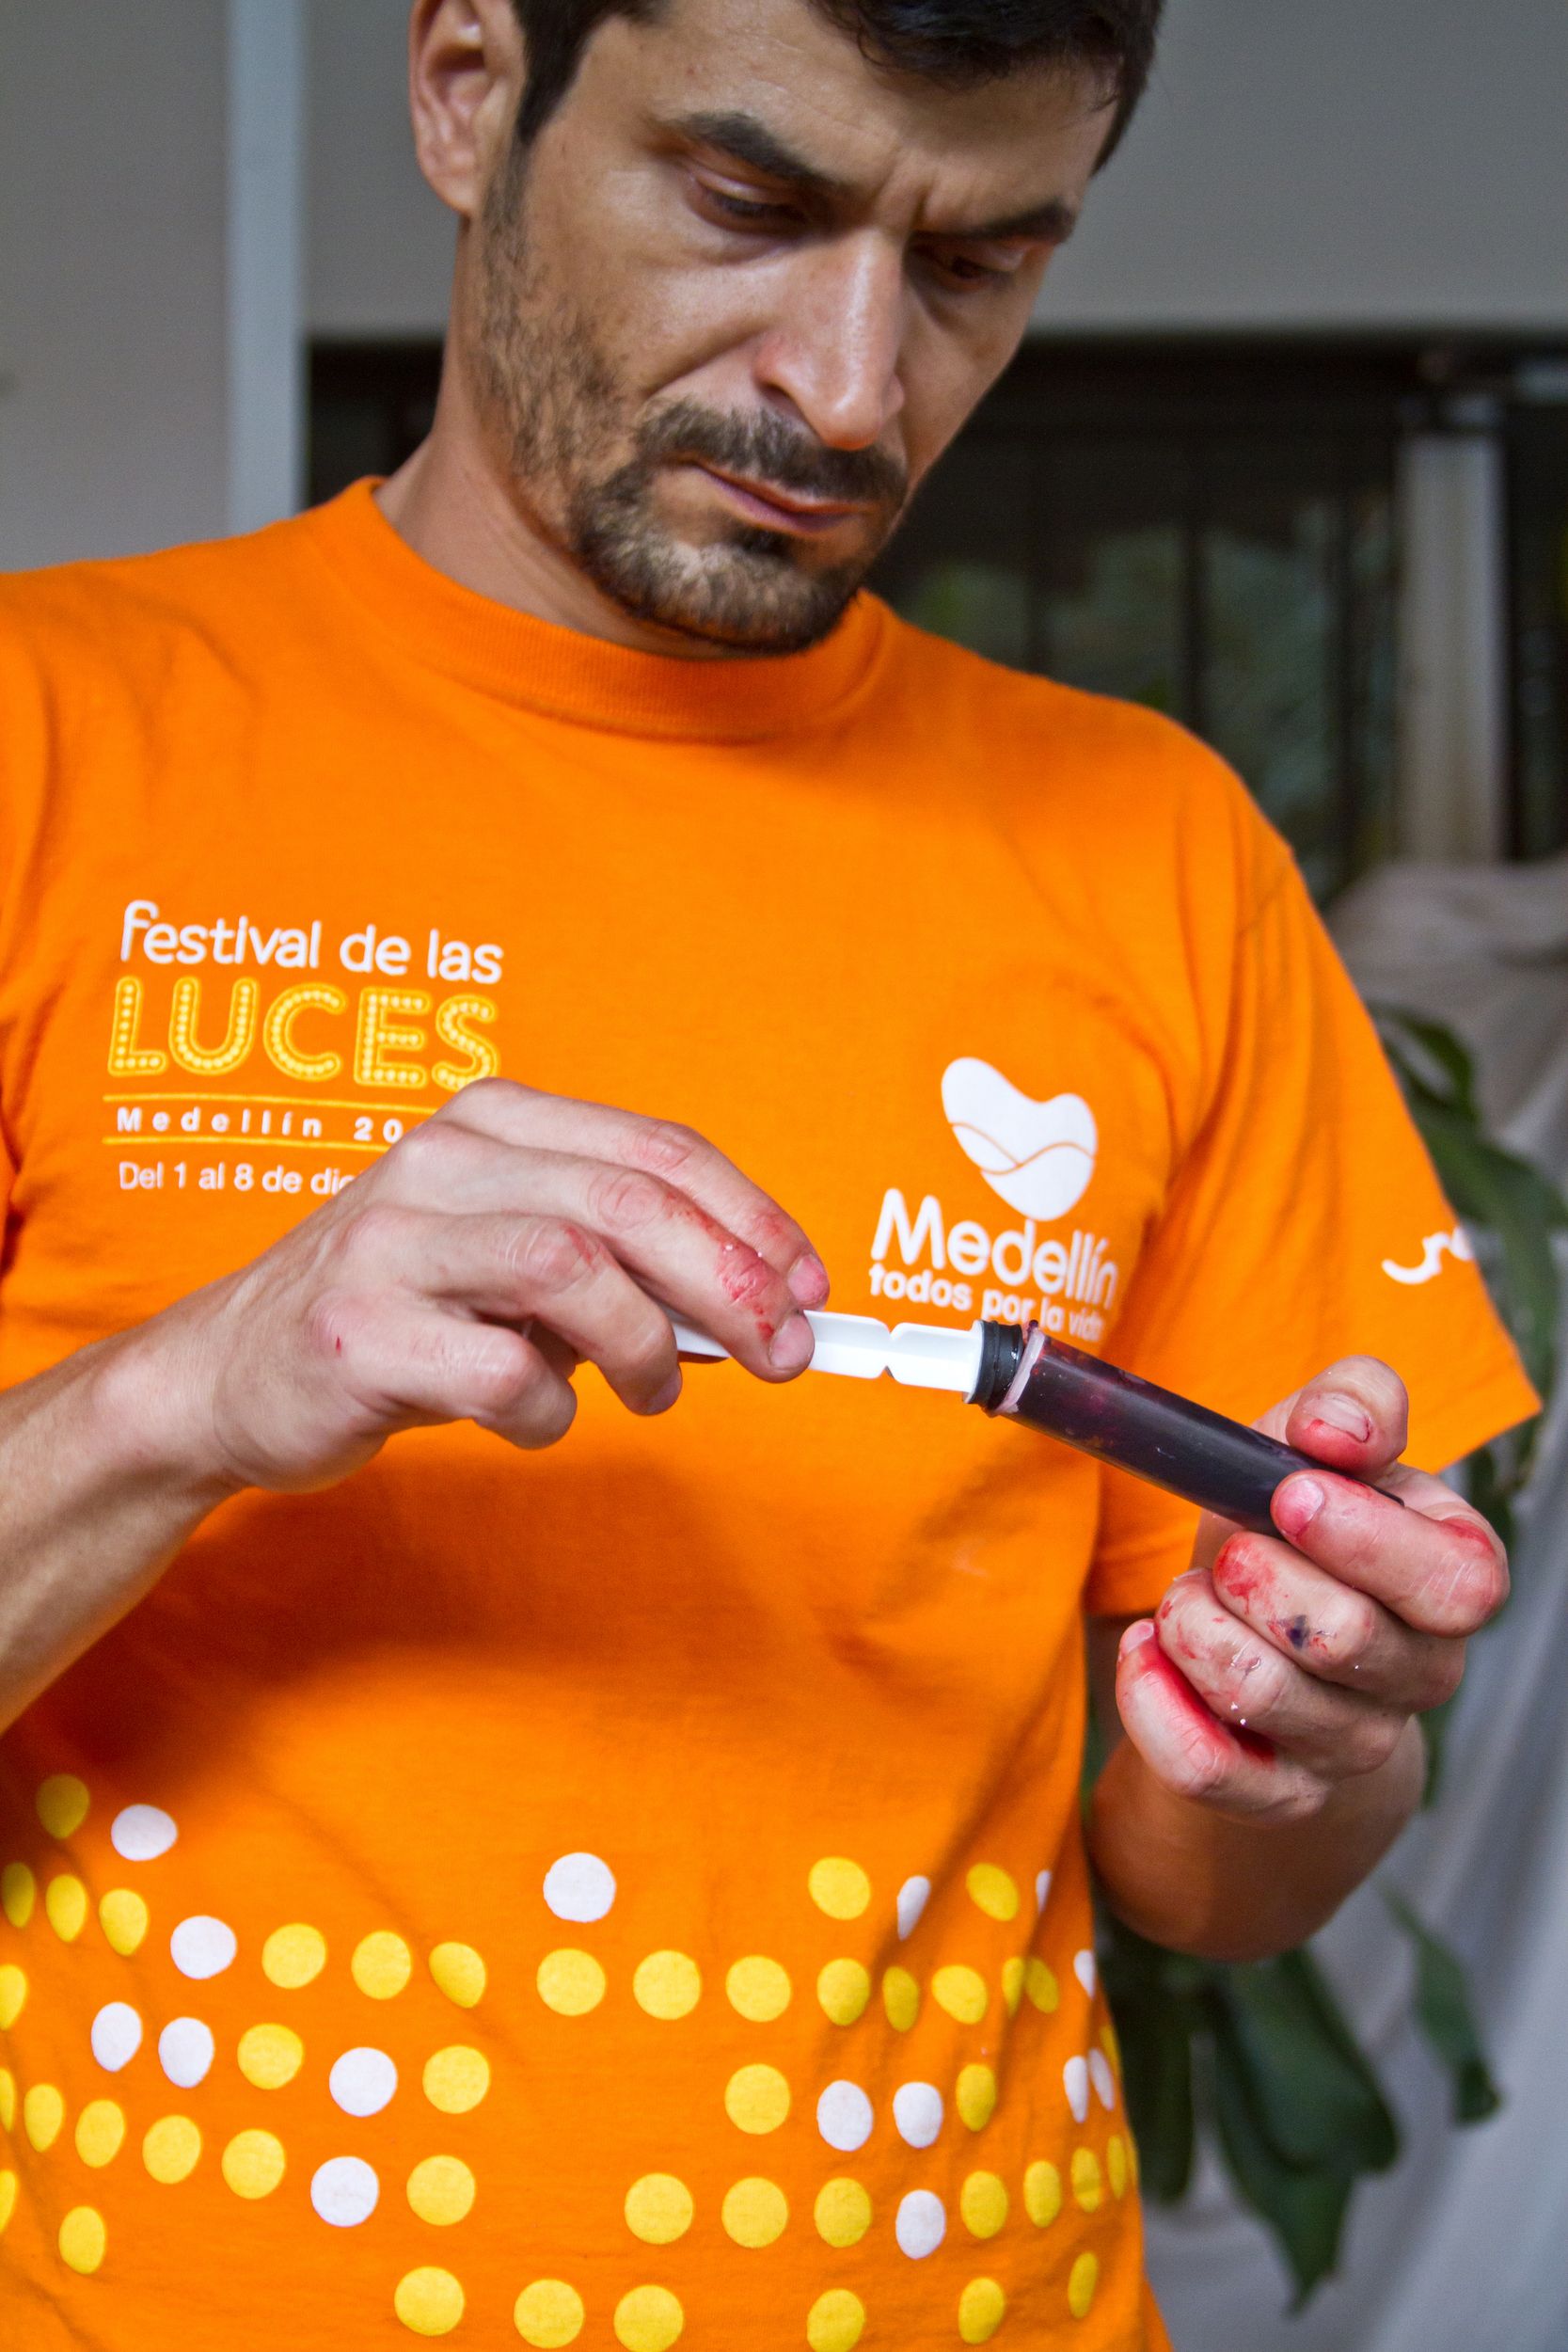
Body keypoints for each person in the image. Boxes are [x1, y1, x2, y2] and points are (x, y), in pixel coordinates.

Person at [0, 1, 1533, 2344]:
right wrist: (184, 1390)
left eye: (978, 262)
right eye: (747, 204)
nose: (848, 388)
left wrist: (1300, 1742)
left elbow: (1222, 1887)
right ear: (468, 88)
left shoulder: (1156, 853)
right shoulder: (51, 737)